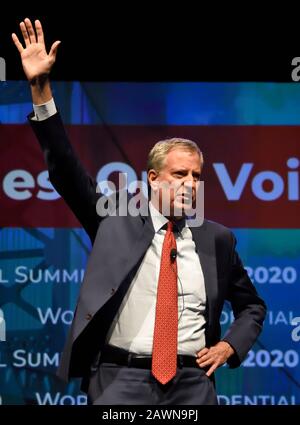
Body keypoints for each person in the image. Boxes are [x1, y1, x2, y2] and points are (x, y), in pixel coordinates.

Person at [12, 18, 266, 405]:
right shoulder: (113, 220)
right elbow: (64, 169)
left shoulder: (217, 238)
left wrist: (231, 346)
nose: (190, 183)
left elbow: (252, 305)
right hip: (120, 381)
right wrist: (40, 88)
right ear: (152, 178)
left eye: (196, 176)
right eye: (179, 174)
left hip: (193, 385)